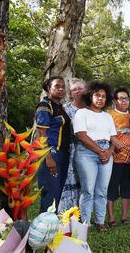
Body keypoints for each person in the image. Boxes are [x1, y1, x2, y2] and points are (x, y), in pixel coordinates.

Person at [73, 81, 119, 231]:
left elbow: (114, 138)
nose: (100, 99)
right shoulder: (82, 113)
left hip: (106, 153)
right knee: (88, 189)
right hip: (87, 153)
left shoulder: (107, 116)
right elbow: (81, 135)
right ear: (90, 96)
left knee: (102, 190)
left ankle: (100, 221)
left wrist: (109, 152)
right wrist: (101, 151)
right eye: (97, 95)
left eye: (103, 96)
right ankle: (86, 223)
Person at [35, 76, 71, 212]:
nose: (61, 89)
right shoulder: (45, 106)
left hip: (63, 154)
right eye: (57, 86)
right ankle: (43, 229)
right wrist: (48, 157)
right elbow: (41, 134)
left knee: (57, 192)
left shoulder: (60, 107)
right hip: (51, 153)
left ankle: (51, 227)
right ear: (49, 89)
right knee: (51, 194)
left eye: (63, 86)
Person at [106, 87, 130, 227]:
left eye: (126, 98)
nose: (124, 101)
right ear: (115, 101)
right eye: (121, 98)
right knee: (111, 187)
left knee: (127, 188)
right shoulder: (109, 114)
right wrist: (113, 141)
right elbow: (103, 133)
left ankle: (124, 217)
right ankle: (111, 218)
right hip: (114, 158)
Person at [59, 77, 86, 213]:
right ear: (70, 93)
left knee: (85, 181)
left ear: (85, 90)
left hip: (88, 149)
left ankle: (83, 213)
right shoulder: (65, 109)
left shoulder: (90, 108)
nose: (78, 92)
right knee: (70, 179)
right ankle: (68, 212)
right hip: (70, 149)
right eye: (74, 90)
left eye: (80, 89)